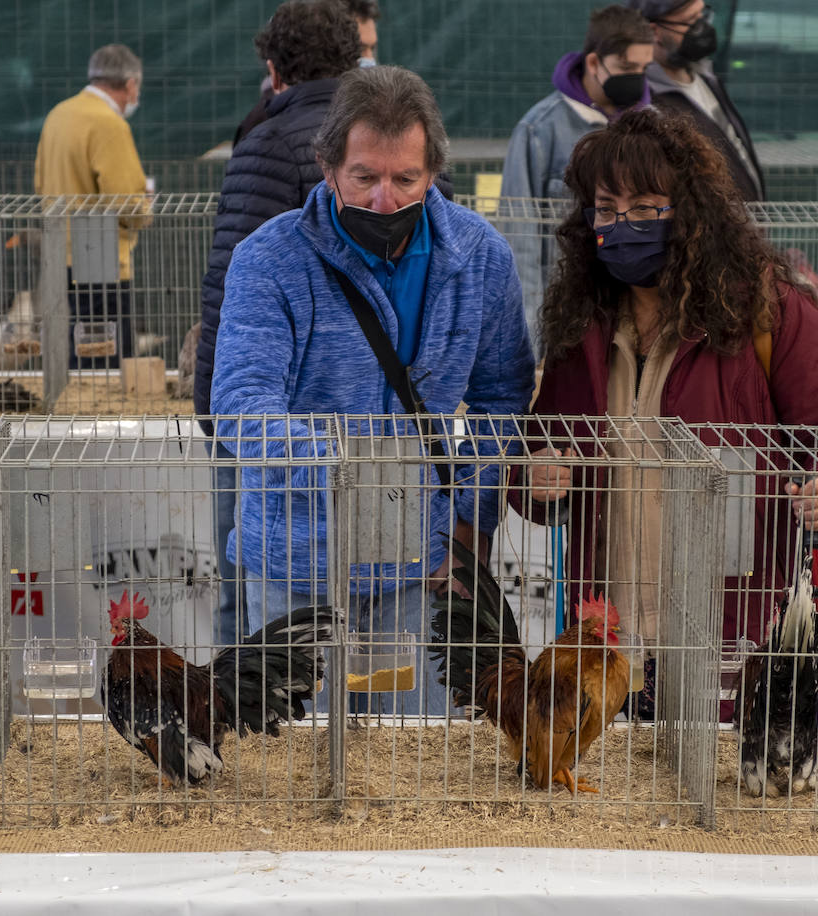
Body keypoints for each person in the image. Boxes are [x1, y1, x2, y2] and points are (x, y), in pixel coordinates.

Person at [514, 109, 818, 724]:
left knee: (751, 795)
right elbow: (542, 445)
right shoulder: (582, 329)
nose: (623, 225)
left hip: (743, 627)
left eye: (646, 208)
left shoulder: (769, 310)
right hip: (615, 640)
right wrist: (537, 477)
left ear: (692, 213)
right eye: (607, 209)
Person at [210, 66, 535, 715]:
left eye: (404, 179)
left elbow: (504, 394)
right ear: (328, 166)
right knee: (299, 755)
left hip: (421, 561)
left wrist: (470, 516)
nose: (385, 198)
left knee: (408, 761)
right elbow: (242, 403)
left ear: (434, 170)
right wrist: (347, 470)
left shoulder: (480, 257)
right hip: (296, 562)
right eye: (365, 177)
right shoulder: (268, 260)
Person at [194, 0, 362, 648]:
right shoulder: (389, 136)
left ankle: (246, 723)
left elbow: (227, 282)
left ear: (273, 68)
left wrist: (216, 407)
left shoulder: (267, 138)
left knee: (249, 585)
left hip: (274, 411)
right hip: (361, 425)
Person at [501, 5, 654, 355]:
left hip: (631, 306)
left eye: (644, 70)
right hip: (566, 310)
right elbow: (519, 238)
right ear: (594, 63)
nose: (637, 79)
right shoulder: (539, 129)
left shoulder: (653, 126)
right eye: (627, 69)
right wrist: (530, 334)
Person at [34, 43, 151, 369]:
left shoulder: (58, 115)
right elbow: (126, 201)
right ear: (130, 84)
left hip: (61, 253)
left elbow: (40, 184)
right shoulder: (109, 125)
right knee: (107, 359)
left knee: (75, 354)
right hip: (103, 260)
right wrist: (145, 210)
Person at [630, 0, 765, 201]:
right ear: (654, 32)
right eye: (690, 20)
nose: (701, 27)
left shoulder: (704, 76)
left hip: (744, 224)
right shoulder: (646, 105)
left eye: (702, 16)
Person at [233, 0, 381, 146]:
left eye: (372, 48)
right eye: (359, 48)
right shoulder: (261, 125)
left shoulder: (367, 112)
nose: (369, 59)